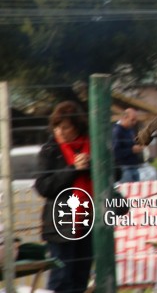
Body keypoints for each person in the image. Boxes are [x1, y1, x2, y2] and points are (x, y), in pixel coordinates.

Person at [34, 101, 94, 293]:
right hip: (60, 223)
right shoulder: (50, 150)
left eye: (65, 126)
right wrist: (73, 170)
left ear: (77, 126)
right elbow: (43, 186)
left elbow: (115, 173)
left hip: (89, 220)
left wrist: (91, 165)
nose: (59, 131)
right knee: (61, 278)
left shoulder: (94, 146)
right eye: (56, 126)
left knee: (80, 277)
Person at [112, 108, 144, 183]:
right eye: (132, 120)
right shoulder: (117, 131)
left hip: (134, 167)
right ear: (124, 118)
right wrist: (132, 150)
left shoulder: (130, 130)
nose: (134, 123)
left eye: (135, 120)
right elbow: (115, 153)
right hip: (124, 168)